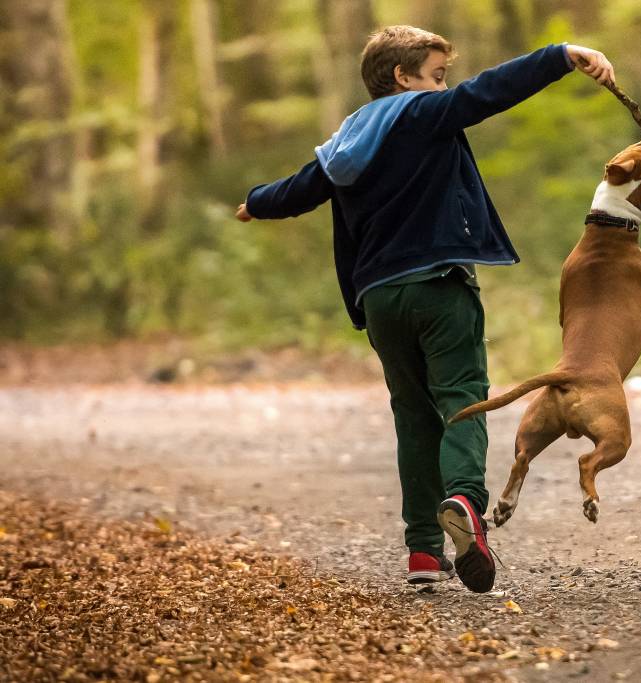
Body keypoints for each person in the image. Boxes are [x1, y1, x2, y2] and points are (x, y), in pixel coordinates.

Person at [235, 25, 615, 593]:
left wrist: (254, 203)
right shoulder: (420, 113)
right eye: (437, 76)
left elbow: (298, 190)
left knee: (413, 416)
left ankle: (422, 550)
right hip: (438, 285)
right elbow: (488, 92)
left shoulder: (343, 143)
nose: (443, 88)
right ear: (401, 77)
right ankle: (463, 500)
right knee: (462, 399)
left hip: (379, 298)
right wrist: (561, 56)